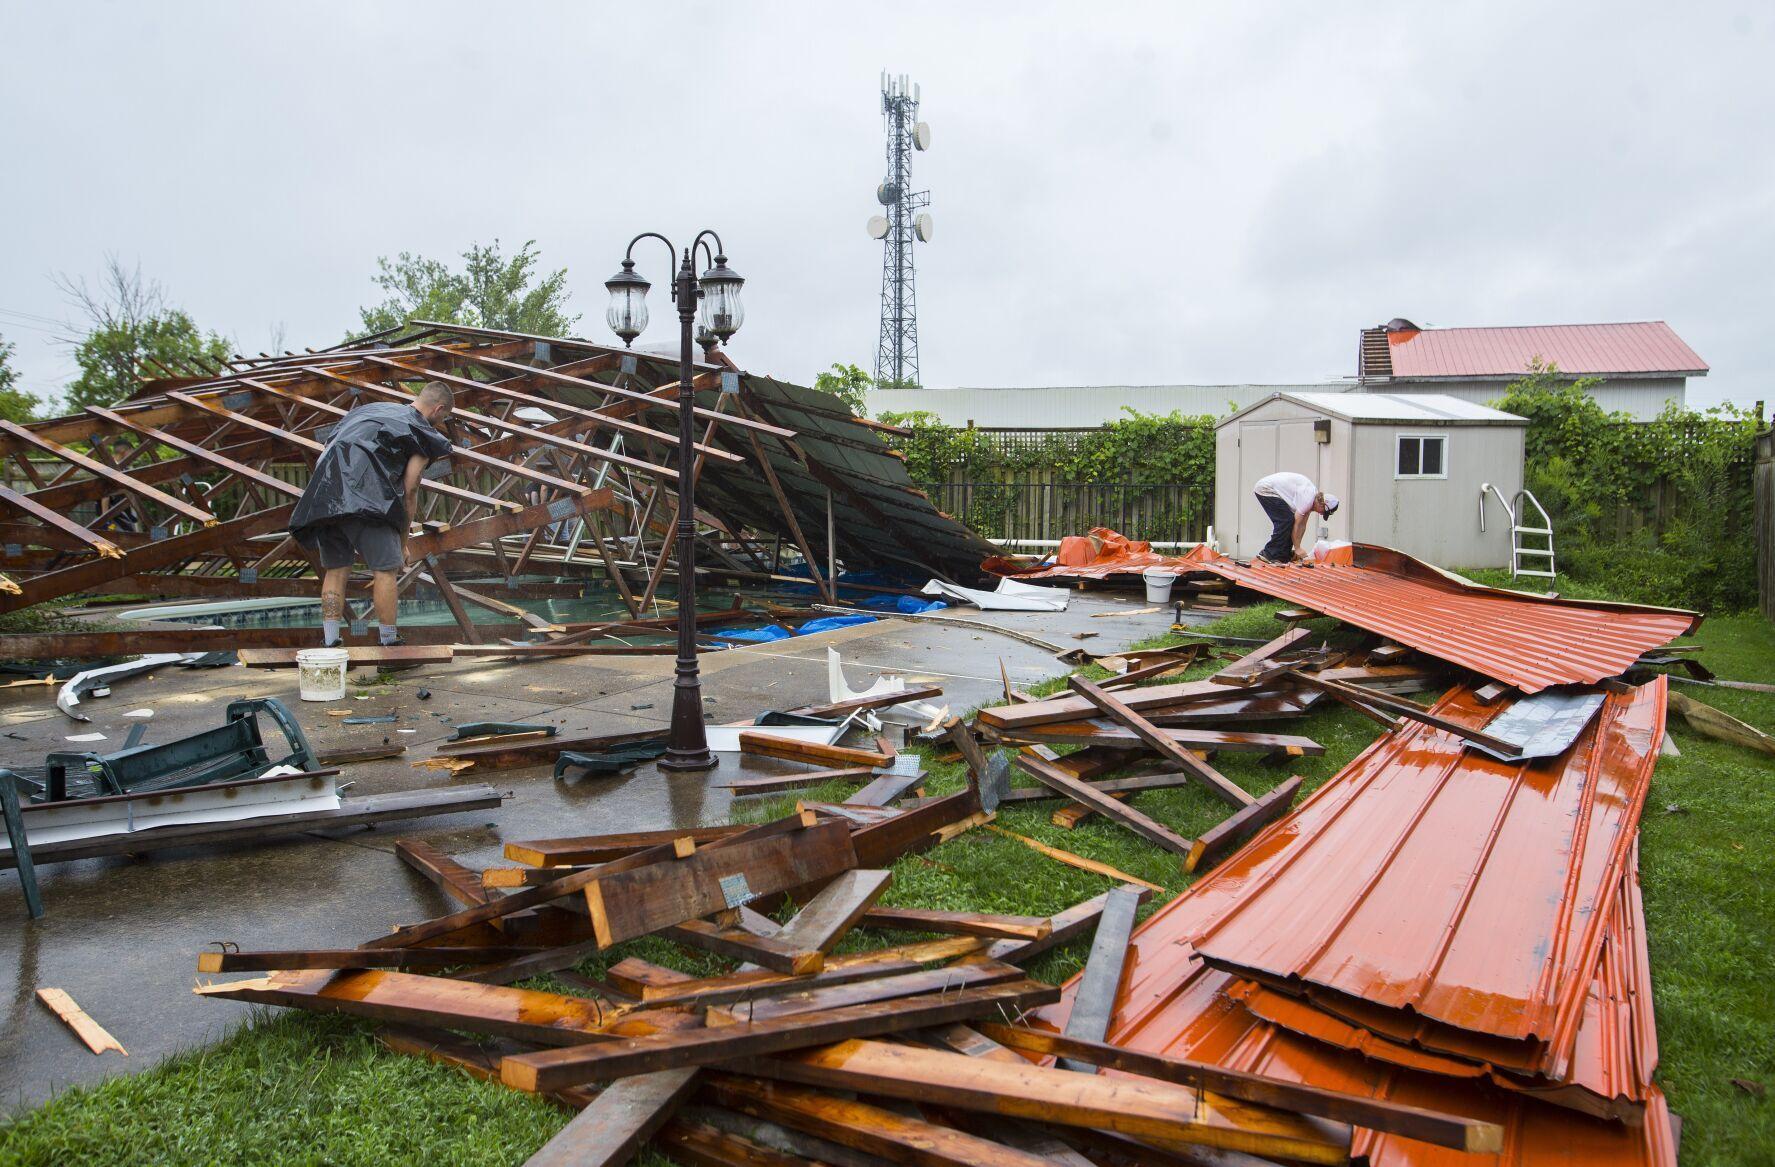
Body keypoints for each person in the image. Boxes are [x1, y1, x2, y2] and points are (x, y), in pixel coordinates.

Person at [289, 383, 455, 647]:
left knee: (335, 571)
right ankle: (389, 645)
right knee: (385, 571)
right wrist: (402, 542)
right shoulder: (422, 432)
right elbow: (410, 487)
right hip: (369, 503)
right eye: (443, 418)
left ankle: (330, 643)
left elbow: (330, 449)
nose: (441, 423)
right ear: (439, 409)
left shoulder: (369, 411)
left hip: (327, 500)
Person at [1252, 471, 1339, 564]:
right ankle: (1269, 553)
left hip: (1272, 488)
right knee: (1286, 520)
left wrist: (1298, 547)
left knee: (1289, 521)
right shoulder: (1308, 499)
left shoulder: (1311, 500)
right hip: (1266, 489)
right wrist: (1297, 548)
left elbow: (1302, 526)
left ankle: (1283, 555)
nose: (1321, 514)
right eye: (1323, 512)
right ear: (1322, 504)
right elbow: (1297, 525)